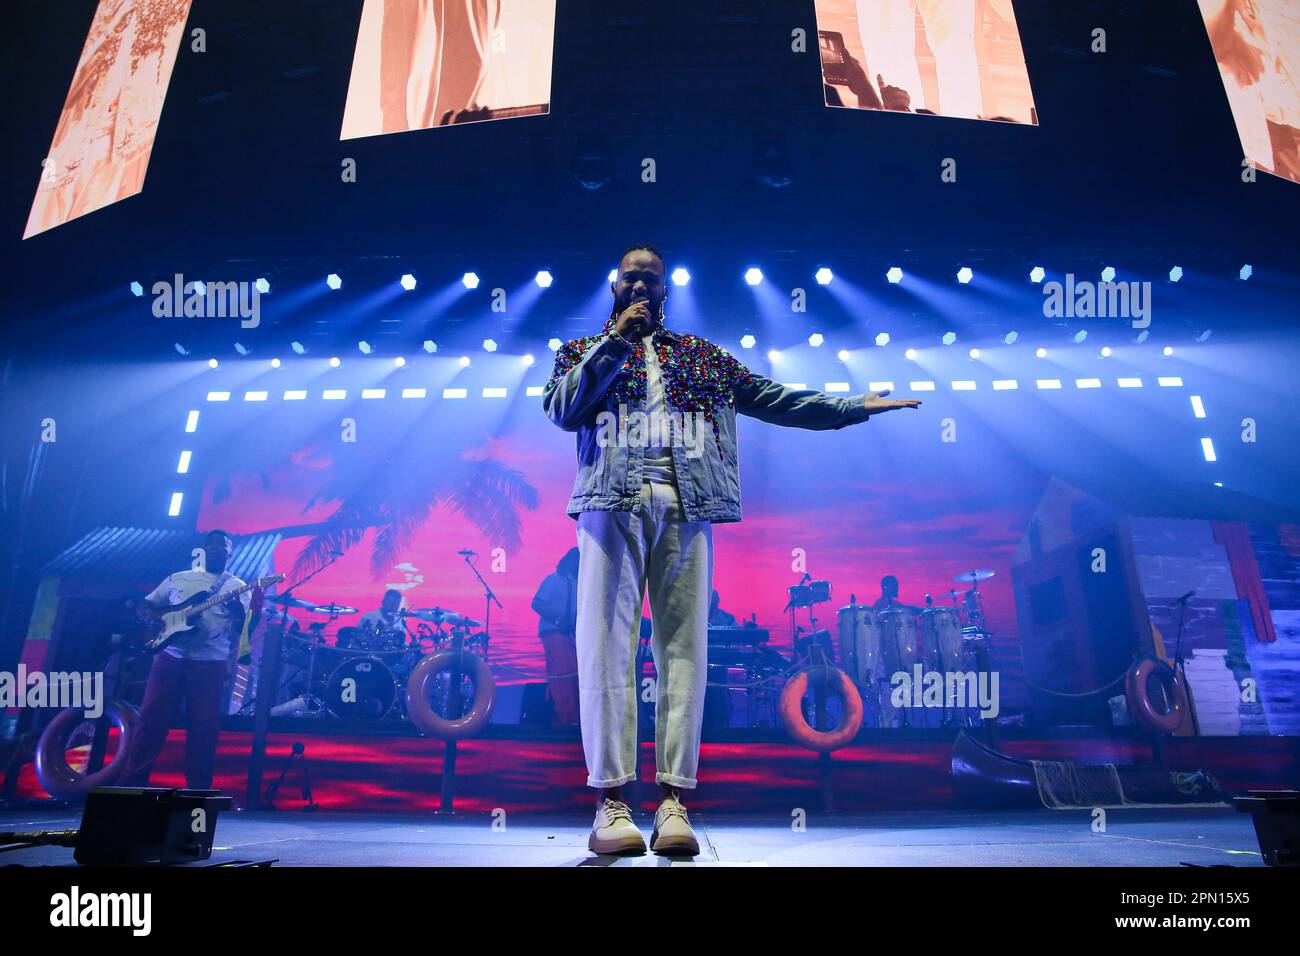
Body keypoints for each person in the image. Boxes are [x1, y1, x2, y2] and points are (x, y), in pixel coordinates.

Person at [542, 243, 922, 856]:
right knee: (605, 652)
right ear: (614, 289)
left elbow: (776, 399)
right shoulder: (581, 353)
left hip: (688, 506)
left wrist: (853, 407)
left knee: (683, 652)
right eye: (629, 280)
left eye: (651, 280)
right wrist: (614, 342)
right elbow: (562, 410)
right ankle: (611, 802)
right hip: (610, 503)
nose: (640, 288)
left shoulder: (702, 357)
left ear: (666, 290)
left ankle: (672, 801)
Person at [119, 529, 249, 790]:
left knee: (203, 728)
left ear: (230, 553)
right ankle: (132, 785)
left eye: (222, 546)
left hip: (210, 663)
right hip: (170, 658)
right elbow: (146, 605)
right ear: (203, 549)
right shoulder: (178, 578)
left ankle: (198, 790)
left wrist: (235, 608)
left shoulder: (236, 586)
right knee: (151, 721)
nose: (215, 549)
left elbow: (242, 627)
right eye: (211, 545)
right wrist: (156, 619)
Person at [531, 548, 581, 724]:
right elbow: (537, 603)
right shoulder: (553, 580)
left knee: (573, 674)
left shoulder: (578, 585)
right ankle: (566, 716)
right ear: (568, 561)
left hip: (571, 636)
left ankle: (569, 717)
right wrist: (559, 620)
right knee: (562, 672)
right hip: (553, 631)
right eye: (576, 559)